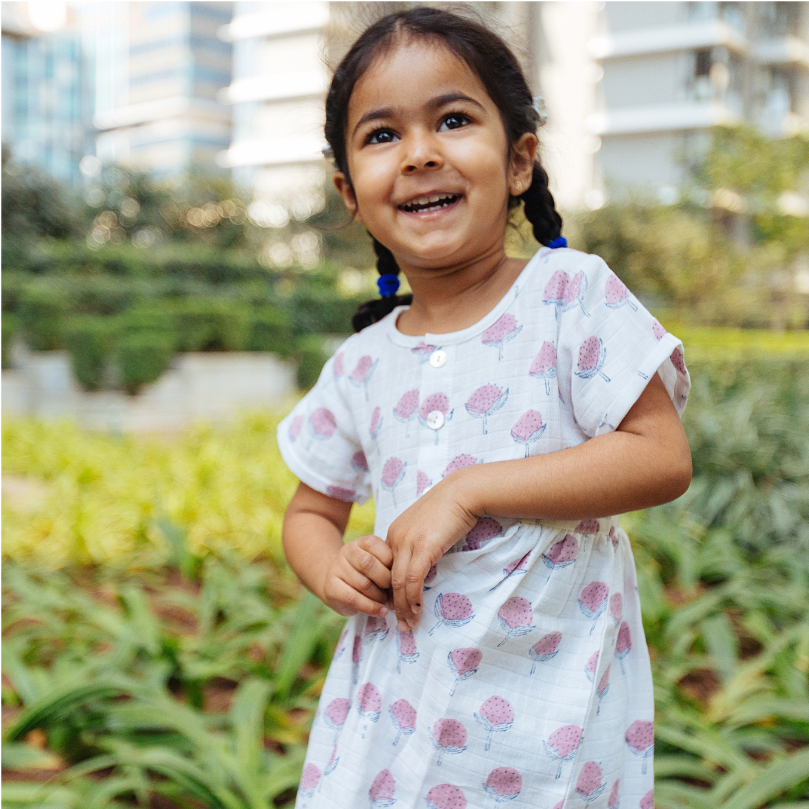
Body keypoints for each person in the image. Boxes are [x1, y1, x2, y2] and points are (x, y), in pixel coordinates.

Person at [277, 7, 692, 807]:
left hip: (551, 723)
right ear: (349, 194)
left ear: (519, 161)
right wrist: (331, 569)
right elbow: (309, 512)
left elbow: (659, 454)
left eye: (453, 120)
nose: (420, 153)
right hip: (396, 715)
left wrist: (467, 490)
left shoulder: (570, 296)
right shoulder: (362, 362)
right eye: (381, 135)